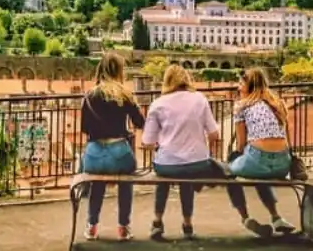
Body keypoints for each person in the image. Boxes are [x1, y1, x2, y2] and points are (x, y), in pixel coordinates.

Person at [141, 64, 227, 240]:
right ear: (187, 79)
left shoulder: (158, 104)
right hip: (197, 163)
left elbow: (147, 141)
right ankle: (187, 223)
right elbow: (214, 134)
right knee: (186, 174)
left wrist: (163, 143)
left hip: (168, 165)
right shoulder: (199, 99)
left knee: (164, 174)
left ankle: (157, 222)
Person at [80, 52, 145, 242]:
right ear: (119, 71)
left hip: (93, 155)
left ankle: (91, 227)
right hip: (119, 152)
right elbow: (140, 122)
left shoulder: (89, 96)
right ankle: (123, 227)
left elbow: (85, 129)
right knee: (126, 181)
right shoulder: (124, 94)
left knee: (97, 182)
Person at [227, 68, 296, 237]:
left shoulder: (241, 106)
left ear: (249, 86)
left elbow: (241, 144)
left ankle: (245, 218)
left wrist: (235, 158)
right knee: (259, 172)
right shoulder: (276, 104)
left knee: (227, 172)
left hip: (257, 160)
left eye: (241, 83)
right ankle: (276, 217)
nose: (238, 86)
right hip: (282, 163)